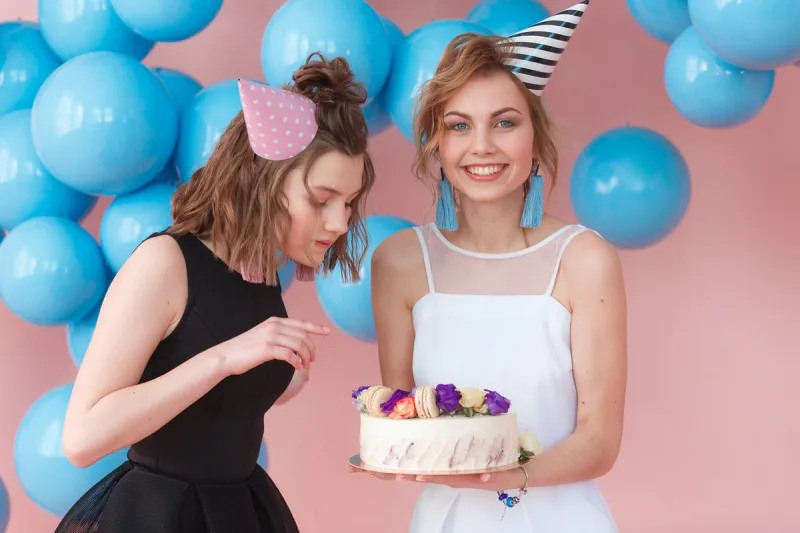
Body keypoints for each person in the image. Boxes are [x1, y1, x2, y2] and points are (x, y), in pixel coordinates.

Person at [55, 52, 375, 533]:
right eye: (321, 198)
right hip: (159, 516)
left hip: (236, 508)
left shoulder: (260, 270)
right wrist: (226, 358)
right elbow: (82, 438)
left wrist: (278, 378)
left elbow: (214, 404)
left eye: (348, 203)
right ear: (264, 179)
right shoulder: (165, 263)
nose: (339, 222)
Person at [366, 2, 626, 531]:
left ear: (535, 140)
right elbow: (404, 420)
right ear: (437, 146)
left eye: (504, 123)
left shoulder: (584, 259)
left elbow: (599, 441)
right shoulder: (399, 263)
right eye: (459, 126)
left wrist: (503, 478)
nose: (481, 146)